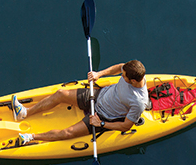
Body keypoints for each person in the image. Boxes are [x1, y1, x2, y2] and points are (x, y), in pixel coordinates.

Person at [10, 60, 149, 146]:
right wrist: (99, 74)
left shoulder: (138, 102)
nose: (121, 75)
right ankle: (24, 113)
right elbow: (120, 67)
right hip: (98, 96)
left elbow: (125, 126)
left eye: (123, 76)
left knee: (68, 132)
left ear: (134, 81)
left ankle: (31, 137)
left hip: (103, 116)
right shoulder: (131, 71)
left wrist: (100, 123)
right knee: (60, 94)